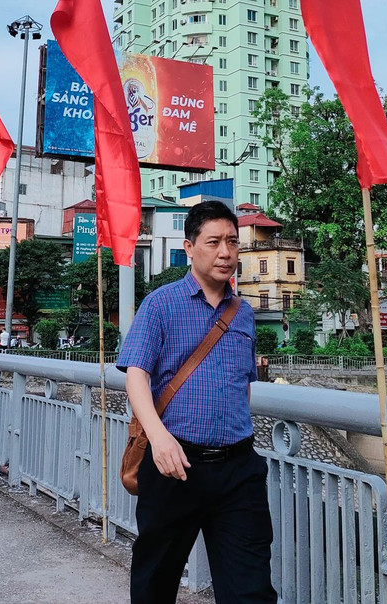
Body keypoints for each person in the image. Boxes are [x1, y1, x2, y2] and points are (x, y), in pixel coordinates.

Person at [115, 200, 275, 604]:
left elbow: (244, 383)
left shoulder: (243, 313)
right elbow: (136, 374)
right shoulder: (161, 303)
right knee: (156, 580)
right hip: (175, 464)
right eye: (214, 242)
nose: (226, 252)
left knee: (250, 588)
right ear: (189, 247)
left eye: (233, 243)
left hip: (239, 468)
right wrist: (159, 438)